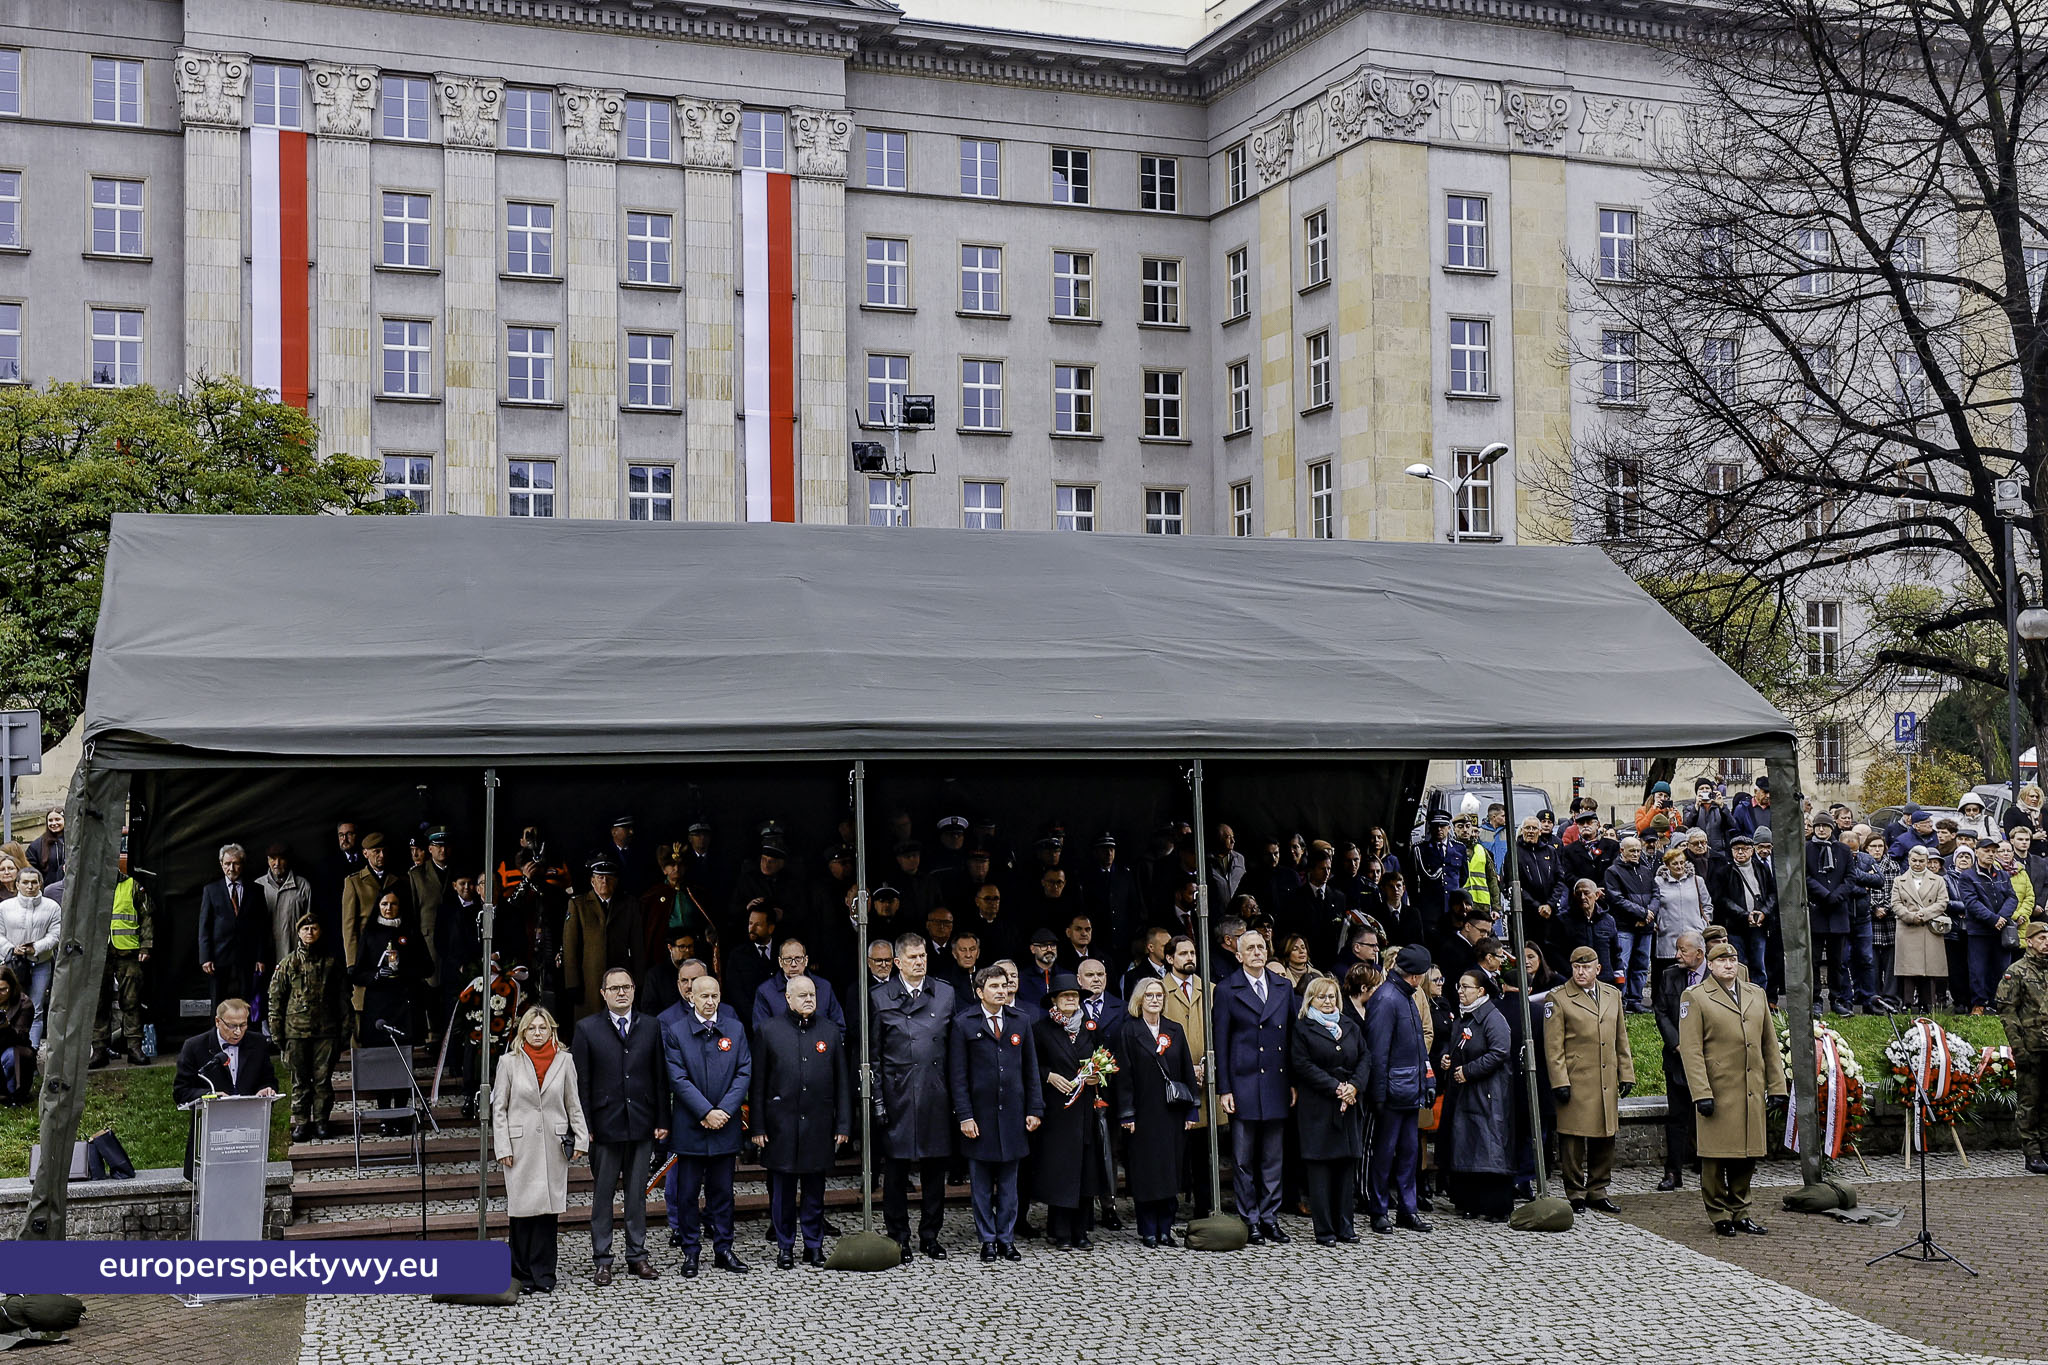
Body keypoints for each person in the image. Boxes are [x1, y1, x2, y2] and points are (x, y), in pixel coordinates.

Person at [1678, 942, 1787, 1236]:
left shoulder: (1756, 994)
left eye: (1733, 959)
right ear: (1710, 965)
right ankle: (1719, 1213)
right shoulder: (1695, 997)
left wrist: (1777, 1086)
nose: (1728, 964)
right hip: (1718, 1089)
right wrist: (1701, 1092)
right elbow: (1690, 1049)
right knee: (1715, 1157)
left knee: (1747, 1154)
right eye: (1721, 960)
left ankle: (1741, 1210)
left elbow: (1769, 1044)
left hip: (1750, 1088)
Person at [570, 967, 669, 1284]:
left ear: (634, 990)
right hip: (604, 1123)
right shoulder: (587, 1029)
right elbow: (581, 1082)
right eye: (614, 988)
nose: (621, 993)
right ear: (603, 994)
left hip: (641, 1121)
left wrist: (662, 1120)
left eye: (626, 987)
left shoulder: (651, 1026)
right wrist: (585, 1126)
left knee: (637, 1195)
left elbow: (659, 1077)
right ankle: (602, 1259)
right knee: (602, 1196)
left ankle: (637, 1256)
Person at [750, 974, 851, 1268]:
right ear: (788, 998)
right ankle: (785, 1247)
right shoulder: (769, 1031)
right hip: (780, 1126)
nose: (809, 999)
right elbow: (758, 1083)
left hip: (819, 1124)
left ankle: (814, 1245)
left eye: (812, 995)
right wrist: (757, 1126)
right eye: (802, 995)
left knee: (814, 1191)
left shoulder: (830, 1031)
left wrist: (843, 1124)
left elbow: (842, 1081)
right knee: (781, 1193)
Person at [871, 934, 958, 1259]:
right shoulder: (879, 997)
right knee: (896, 1171)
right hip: (898, 1093)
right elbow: (873, 1055)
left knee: (935, 1170)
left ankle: (930, 1235)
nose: (919, 961)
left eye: (922, 956)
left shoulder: (945, 993)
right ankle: (899, 1236)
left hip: (936, 1091)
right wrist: (877, 1099)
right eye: (912, 957)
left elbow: (954, 1049)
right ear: (897, 963)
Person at [949, 964, 1043, 1263]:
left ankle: (1006, 1238)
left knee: (1009, 1185)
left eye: (1004, 986)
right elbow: (958, 1075)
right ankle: (987, 1239)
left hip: (1014, 1115)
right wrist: (964, 1115)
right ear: (979, 992)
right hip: (980, 1116)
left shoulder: (1020, 1021)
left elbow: (1031, 1070)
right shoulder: (964, 1023)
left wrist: (1034, 1109)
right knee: (980, 1185)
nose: (1002, 991)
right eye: (994, 987)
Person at [494, 1006, 591, 1293]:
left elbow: (573, 1102)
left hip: (552, 1143)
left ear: (552, 1031)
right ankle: (521, 1274)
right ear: (522, 1032)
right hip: (519, 1145)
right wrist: (502, 1146)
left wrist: (581, 1138)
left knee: (548, 1213)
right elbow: (499, 1107)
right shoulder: (508, 1062)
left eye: (543, 1028)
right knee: (522, 1212)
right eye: (532, 1028)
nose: (538, 1033)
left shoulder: (565, 1061)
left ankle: (544, 1274)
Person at [662, 973, 752, 1276]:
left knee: (723, 1193)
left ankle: (724, 1248)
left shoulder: (735, 1029)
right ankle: (690, 1251)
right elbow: (677, 1078)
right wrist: (704, 1112)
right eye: (704, 996)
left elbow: (743, 1072)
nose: (710, 1001)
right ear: (691, 998)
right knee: (686, 1194)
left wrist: (724, 1111)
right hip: (691, 1127)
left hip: (725, 1126)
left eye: (715, 995)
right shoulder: (676, 1032)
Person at [1214, 928, 1293, 1244]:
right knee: (1244, 1158)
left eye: (1262, 947)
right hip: (1243, 1081)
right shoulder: (1226, 990)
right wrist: (1224, 1088)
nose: (1258, 952)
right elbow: (1220, 1041)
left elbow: (1291, 1039)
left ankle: (1270, 1217)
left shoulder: (1283, 986)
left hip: (1276, 1080)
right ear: (1239, 955)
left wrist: (1293, 1082)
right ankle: (1251, 1219)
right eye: (1251, 948)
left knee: (1273, 1157)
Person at [1544, 945, 1634, 1212]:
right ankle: (1575, 1192)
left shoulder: (1611, 995)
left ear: (1598, 969)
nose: (1580, 972)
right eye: (1576, 967)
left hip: (1604, 1077)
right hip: (1576, 1078)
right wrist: (1560, 1081)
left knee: (1605, 1135)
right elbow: (1553, 1046)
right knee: (1572, 1139)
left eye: (1586, 967)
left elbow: (1621, 1038)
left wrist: (1626, 1072)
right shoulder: (1558, 998)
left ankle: (1598, 1188)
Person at [1110, 975, 1198, 1247]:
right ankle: (1148, 1228)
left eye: (1159, 995)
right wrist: (1127, 1113)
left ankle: (1165, 1227)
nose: (1155, 1000)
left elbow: (1186, 1071)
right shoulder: (1129, 1031)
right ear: (1139, 999)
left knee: (1170, 1171)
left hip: (1171, 1112)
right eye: (1149, 995)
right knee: (1147, 1173)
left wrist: (1192, 1110)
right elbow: (1123, 1076)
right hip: (1143, 1113)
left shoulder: (1174, 1029)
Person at [1031, 973, 1109, 1249]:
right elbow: (1030, 1066)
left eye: (1074, 997)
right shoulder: (1041, 1029)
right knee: (1060, 1172)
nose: (1070, 1001)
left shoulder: (1090, 1027)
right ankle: (1060, 1231)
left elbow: (1103, 1059)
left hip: (1085, 1111)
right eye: (1065, 996)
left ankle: (1082, 1231)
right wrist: (1049, 1075)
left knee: (1086, 1173)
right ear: (1054, 1000)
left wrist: (1096, 1076)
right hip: (1057, 1112)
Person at [1289, 972, 1368, 1244]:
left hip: (1350, 1102)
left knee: (1346, 1167)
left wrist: (1353, 1087)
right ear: (1311, 999)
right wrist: (1336, 1088)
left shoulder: (1349, 1025)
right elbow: (1302, 1065)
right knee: (1320, 1169)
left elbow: (1365, 1058)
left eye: (1331, 996)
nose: (1327, 1001)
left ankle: (1346, 1226)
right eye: (1321, 996)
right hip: (1318, 1105)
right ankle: (1324, 1229)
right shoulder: (1303, 1027)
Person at [1362, 944, 1434, 1234]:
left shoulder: (1404, 996)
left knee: (1408, 1153)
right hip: (1393, 1093)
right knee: (1384, 1153)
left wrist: (1427, 1080)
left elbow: (1418, 1049)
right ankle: (1378, 1210)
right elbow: (1377, 1053)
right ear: (1415, 976)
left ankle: (1407, 1209)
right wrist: (1378, 1095)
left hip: (1407, 1089)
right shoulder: (1388, 999)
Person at [172, 998, 280, 1176]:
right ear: (217, 1022)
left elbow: (269, 1079)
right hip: (211, 1131)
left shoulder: (258, 1043)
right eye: (231, 1026)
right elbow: (181, 1091)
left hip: (248, 1130)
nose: (238, 1032)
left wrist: (267, 1089)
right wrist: (210, 1095)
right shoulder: (195, 1047)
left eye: (243, 1025)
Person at [351, 890, 428, 1134]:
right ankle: (384, 1116)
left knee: (403, 1061)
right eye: (384, 904)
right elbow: (357, 972)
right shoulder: (370, 933)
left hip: (404, 1005)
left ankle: (402, 1116)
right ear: (378, 906)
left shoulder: (411, 932)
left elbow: (428, 966)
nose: (388, 908)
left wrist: (403, 971)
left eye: (393, 904)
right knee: (382, 1063)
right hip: (378, 1008)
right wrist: (376, 975)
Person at [267, 916, 348, 1141]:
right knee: (300, 1081)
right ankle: (302, 1122)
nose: (310, 932)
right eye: (305, 928)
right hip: (295, 1032)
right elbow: (276, 1000)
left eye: (314, 928)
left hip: (326, 1031)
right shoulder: (288, 964)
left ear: (320, 931)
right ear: (298, 933)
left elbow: (343, 998)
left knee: (323, 1081)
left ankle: (322, 1121)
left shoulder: (332, 963)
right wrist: (277, 1033)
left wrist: (345, 1029)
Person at [1445, 970, 1514, 1221]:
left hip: (1488, 1094)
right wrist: (1448, 1059)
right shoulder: (1464, 1017)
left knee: (1488, 1148)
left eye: (1466, 987)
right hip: (1467, 1093)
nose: (1460, 991)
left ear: (1481, 991)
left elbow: (1499, 1051)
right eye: (1459, 986)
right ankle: (1470, 1202)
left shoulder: (1492, 1018)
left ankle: (1496, 1206)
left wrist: (1469, 1071)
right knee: (1468, 1147)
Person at [87, 842, 153, 1068]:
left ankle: (134, 1048)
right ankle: (99, 1050)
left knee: (131, 1002)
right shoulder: (91, 888)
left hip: (128, 952)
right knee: (98, 1003)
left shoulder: (132, 885)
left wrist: (146, 947)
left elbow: (146, 918)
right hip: (98, 954)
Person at [1653, 932, 1706, 1190]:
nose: (1677, 955)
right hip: (1677, 1060)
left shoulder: (1715, 978)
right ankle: (1673, 1172)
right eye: (1677, 949)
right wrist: (1677, 1043)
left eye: (1683, 950)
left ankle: (1710, 1167)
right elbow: (1661, 1011)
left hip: (1709, 1062)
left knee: (1710, 1115)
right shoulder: (1669, 976)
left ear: (1699, 953)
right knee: (1677, 1117)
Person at [1994, 920, 2048, 1174]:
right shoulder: (2016, 972)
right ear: (2029, 941)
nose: (2046, 942)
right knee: (2030, 1101)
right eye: (2041, 938)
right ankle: (2033, 1152)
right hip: (2031, 1045)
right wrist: (2018, 1047)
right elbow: (2007, 1012)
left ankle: (2046, 1148)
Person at [562, 858, 644, 1023]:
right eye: (600, 877)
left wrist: (639, 980)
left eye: (609, 877)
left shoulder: (629, 905)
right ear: (592, 881)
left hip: (620, 979)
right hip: (589, 981)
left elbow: (638, 947)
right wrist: (572, 983)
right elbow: (570, 948)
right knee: (591, 1025)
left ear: (616, 881)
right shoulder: (578, 904)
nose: (604, 881)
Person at [198, 845, 271, 1015]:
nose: (232, 868)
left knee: (247, 1001)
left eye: (236, 863)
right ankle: (217, 1036)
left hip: (247, 955)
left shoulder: (256, 890)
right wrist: (205, 957)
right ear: (221, 864)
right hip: (218, 956)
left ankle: (245, 1036)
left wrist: (261, 957)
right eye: (228, 863)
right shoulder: (211, 890)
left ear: (242, 864)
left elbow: (262, 927)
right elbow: (204, 926)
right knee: (218, 1001)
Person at [1709, 833, 1774, 999]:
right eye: (1736, 849)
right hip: (1735, 926)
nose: (1740, 852)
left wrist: (1764, 912)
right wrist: (1744, 914)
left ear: (1752, 851)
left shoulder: (1761, 868)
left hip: (1759, 926)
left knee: (1759, 965)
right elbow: (1721, 899)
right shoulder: (1725, 870)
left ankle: (1760, 999)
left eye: (1744, 849)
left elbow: (1772, 894)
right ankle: (1740, 998)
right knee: (1739, 964)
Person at [1891, 845, 1952, 1014]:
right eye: (1914, 860)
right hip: (1907, 927)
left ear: (1927, 862)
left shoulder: (1938, 880)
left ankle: (1927, 1003)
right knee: (1908, 970)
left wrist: (1924, 914)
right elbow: (1895, 903)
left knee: (1928, 970)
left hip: (1929, 927)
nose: (1917, 864)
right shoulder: (1899, 880)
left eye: (1921, 861)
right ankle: (1907, 1002)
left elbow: (1942, 902)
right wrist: (1910, 916)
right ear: (1909, 860)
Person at [1651, 849, 1711, 1013]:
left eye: (1681, 863)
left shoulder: (1697, 881)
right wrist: (1658, 922)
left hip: (1694, 932)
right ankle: (1666, 1006)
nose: (1679, 866)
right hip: (1668, 934)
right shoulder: (1657, 882)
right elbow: (1653, 904)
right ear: (1667, 865)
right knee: (1670, 973)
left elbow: (1707, 904)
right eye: (1675, 863)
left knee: (1693, 970)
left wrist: (1704, 924)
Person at [1602, 838, 1658, 1013]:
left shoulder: (1646, 870)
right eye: (1632, 851)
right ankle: (1622, 999)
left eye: (1638, 851)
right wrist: (1642, 913)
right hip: (1625, 925)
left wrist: (1649, 914)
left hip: (1645, 926)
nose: (1636, 854)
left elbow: (1656, 894)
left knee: (1641, 964)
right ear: (1622, 851)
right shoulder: (1613, 871)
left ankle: (1636, 999)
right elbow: (1616, 899)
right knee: (1623, 964)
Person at [753, 938, 846, 1033]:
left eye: (798, 959)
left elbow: (839, 1027)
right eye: (788, 959)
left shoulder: (824, 987)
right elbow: (761, 1032)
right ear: (780, 962)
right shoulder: (765, 991)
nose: (793, 964)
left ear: (806, 960)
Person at [0, 967, 32, 1103]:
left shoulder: (24, 1004)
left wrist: (6, 1027)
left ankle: (11, 1092)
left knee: (12, 1055)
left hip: (12, 1050)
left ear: (12, 987)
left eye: (3, 989)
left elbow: (21, 1037)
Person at [25, 809, 64, 884]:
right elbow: (30, 868)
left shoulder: (74, 842)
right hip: (47, 890)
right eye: (50, 820)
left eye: (57, 819)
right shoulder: (36, 845)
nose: (54, 823)